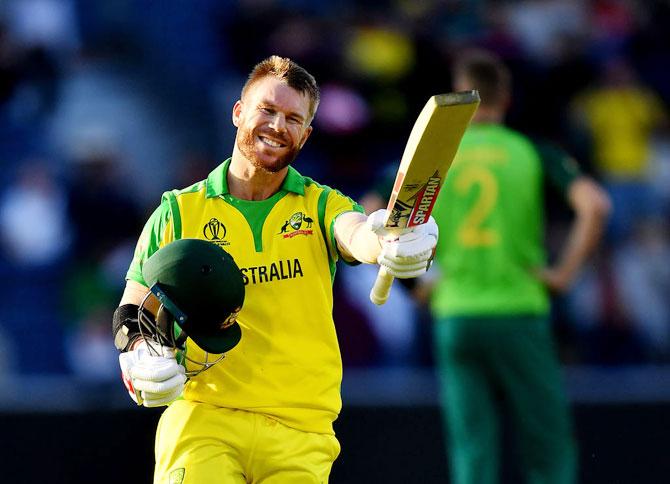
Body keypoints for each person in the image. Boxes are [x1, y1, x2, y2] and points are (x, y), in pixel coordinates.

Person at [112, 55, 438, 483]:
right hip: (205, 419)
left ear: (306, 133)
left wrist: (390, 239)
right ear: (238, 112)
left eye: (292, 118)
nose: (277, 125)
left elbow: (358, 235)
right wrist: (140, 354)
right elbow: (130, 311)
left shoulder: (322, 204)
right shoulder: (177, 210)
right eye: (267, 109)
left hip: (300, 429)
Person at [426, 49, 611, 484]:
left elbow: (381, 212)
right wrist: (563, 275)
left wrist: (417, 283)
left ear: (460, 98)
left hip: (456, 311)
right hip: (519, 310)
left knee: (473, 455)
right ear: (505, 98)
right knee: (547, 450)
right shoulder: (530, 151)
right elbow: (596, 205)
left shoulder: (439, 155)